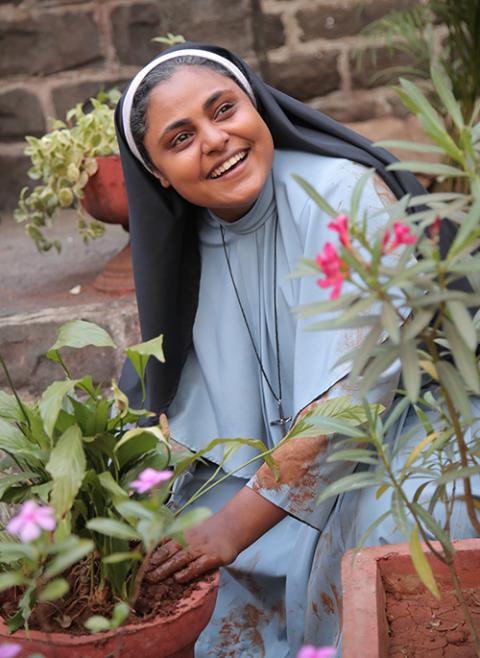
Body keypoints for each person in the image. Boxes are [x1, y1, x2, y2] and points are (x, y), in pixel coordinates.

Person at [116, 43, 426, 657]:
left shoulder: (342, 195)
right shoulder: (189, 245)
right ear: (156, 173)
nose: (215, 139)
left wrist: (230, 528)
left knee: (395, 540)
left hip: (387, 442)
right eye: (180, 139)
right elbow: (179, 418)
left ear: (255, 105)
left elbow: (354, 397)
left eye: (223, 109)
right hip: (252, 469)